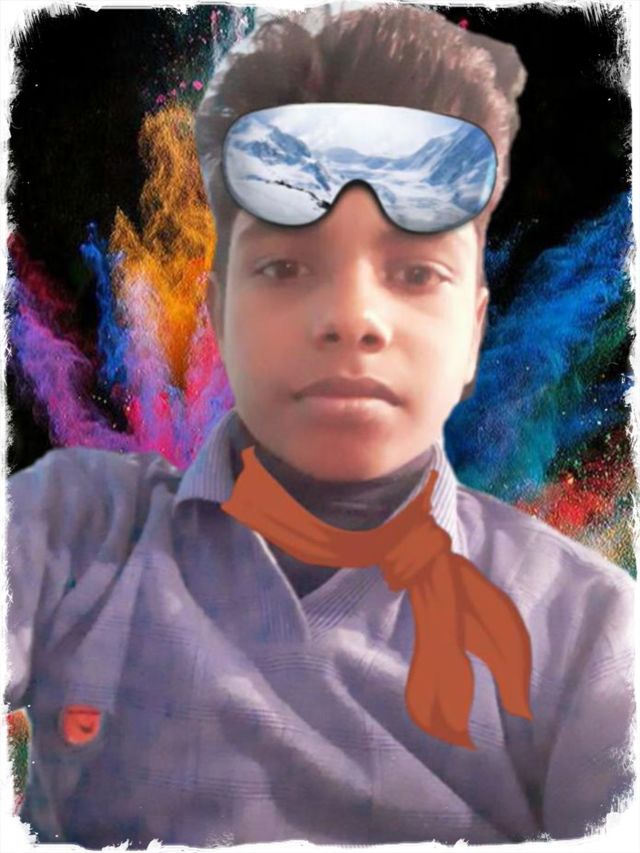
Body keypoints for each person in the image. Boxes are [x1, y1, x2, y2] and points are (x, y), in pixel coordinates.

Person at [5, 3, 635, 849]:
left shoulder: (588, 636)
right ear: (218, 316)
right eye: (286, 266)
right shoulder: (69, 534)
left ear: (474, 332)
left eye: (416, 272)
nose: (351, 317)